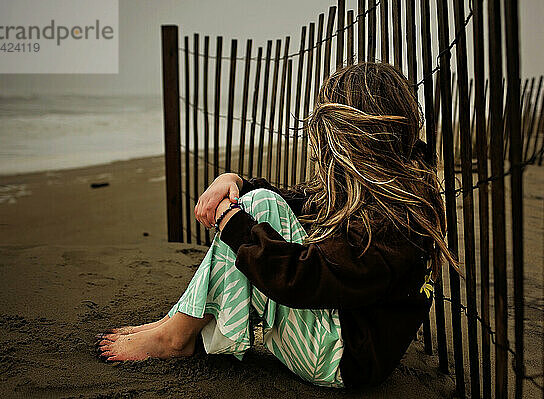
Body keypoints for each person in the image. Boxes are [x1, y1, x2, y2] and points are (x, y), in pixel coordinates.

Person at [96, 62, 458, 388]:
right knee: (258, 204)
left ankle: (175, 335)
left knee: (252, 215)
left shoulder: (391, 223)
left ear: (352, 137)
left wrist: (232, 223)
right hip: (342, 330)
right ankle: (175, 326)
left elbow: (302, 280)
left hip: (342, 360)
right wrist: (237, 181)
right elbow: (298, 201)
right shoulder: (393, 186)